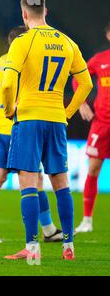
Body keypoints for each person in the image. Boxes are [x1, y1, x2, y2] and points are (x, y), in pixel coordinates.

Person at [2, 0, 93, 261]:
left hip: (29, 117)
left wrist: (9, 110)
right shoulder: (67, 42)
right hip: (56, 119)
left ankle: (32, 248)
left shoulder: (22, 42)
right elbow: (86, 84)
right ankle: (68, 245)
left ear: (23, 15)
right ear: (46, 11)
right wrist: (67, 112)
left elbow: (7, 84)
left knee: (29, 182)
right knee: (61, 182)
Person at [0, 26, 62, 244]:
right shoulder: (24, 62)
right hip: (18, 126)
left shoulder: (0, 61)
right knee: (35, 179)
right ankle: (48, 229)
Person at [74, 21, 110, 233]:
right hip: (102, 123)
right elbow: (79, 79)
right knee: (93, 169)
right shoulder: (100, 60)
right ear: (107, 35)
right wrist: (82, 103)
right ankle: (87, 220)